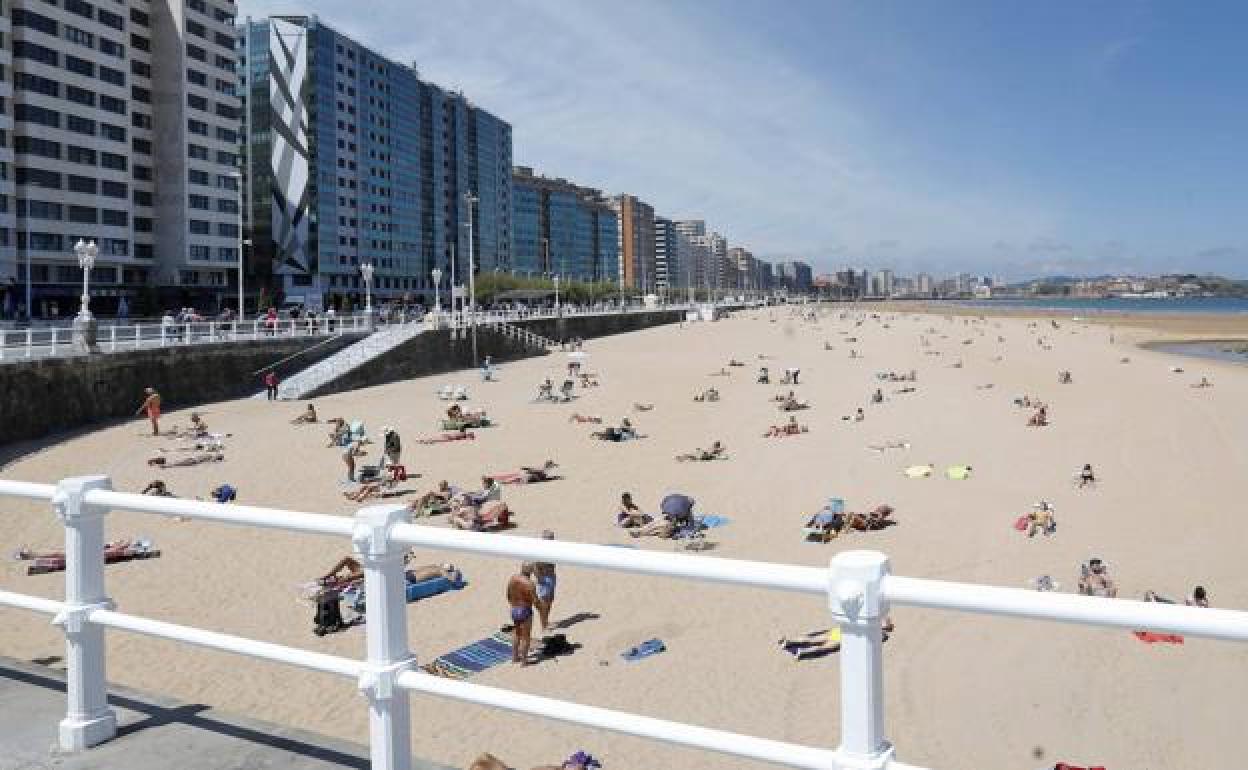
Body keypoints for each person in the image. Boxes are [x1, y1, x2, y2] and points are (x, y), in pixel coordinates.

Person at [506, 564, 537, 665]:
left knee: (516, 633)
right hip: (525, 610)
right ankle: (524, 661)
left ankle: (514, 657)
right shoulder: (530, 584)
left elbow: (508, 595)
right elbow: (535, 601)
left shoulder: (513, 578)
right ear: (531, 571)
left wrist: (514, 603)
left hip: (514, 609)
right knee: (526, 636)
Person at [534, 530, 558, 631]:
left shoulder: (551, 549)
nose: (552, 540)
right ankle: (543, 625)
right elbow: (535, 566)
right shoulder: (540, 551)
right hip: (545, 578)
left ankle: (546, 621)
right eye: (550, 538)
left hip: (551, 576)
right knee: (544, 602)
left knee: (550, 601)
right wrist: (539, 578)